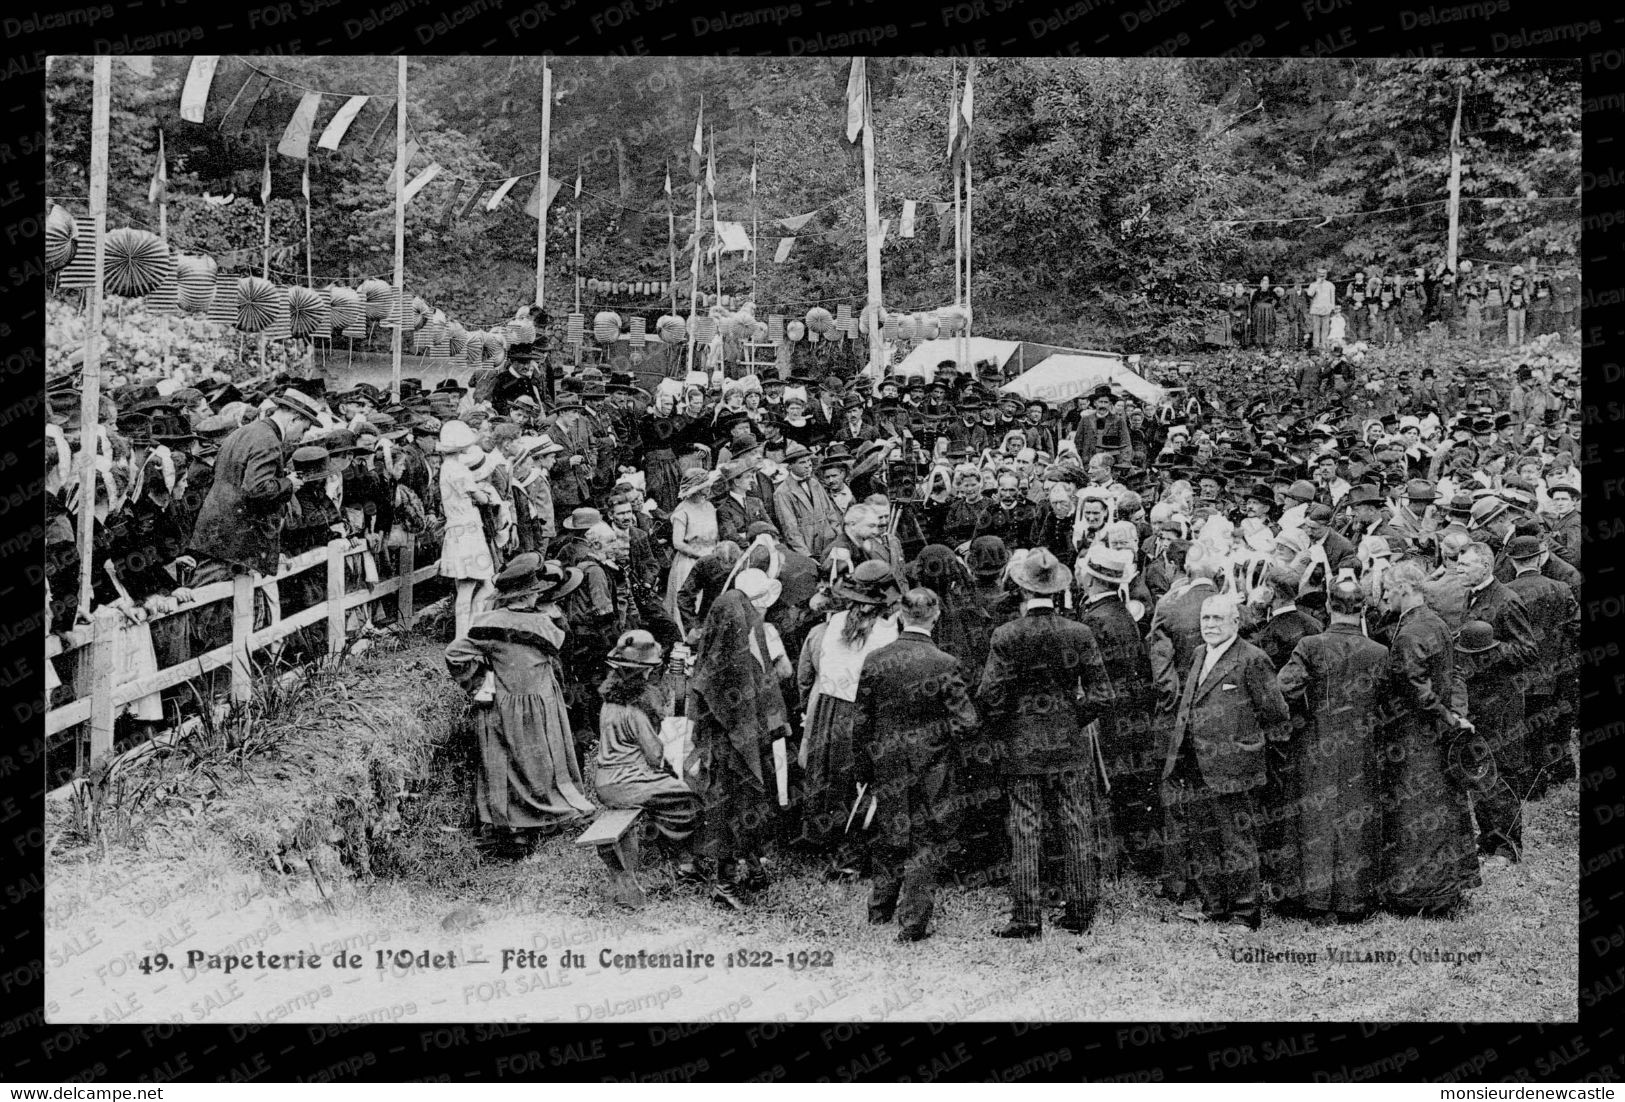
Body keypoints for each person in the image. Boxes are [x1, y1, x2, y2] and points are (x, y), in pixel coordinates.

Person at [976, 549, 1113, 938]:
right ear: (1056, 590)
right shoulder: (1079, 632)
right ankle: (1081, 912)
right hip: (1069, 745)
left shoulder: (1005, 635)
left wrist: (1010, 726)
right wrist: (1071, 720)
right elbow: (1104, 696)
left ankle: (1026, 918)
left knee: (1024, 827)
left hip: (1022, 747)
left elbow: (989, 697)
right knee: (1077, 822)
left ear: (1020, 587)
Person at [443, 555, 595, 857]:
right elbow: (560, 648)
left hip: (502, 702)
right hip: (539, 701)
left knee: (504, 763)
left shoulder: (486, 623)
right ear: (529, 594)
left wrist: (480, 679)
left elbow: (454, 654)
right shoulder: (541, 624)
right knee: (542, 760)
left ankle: (511, 825)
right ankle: (545, 816)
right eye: (536, 590)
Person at [851, 587, 977, 942]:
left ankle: (880, 909)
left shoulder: (876, 659)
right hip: (931, 765)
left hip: (886, 761)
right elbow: (966, 722)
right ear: (935, 617)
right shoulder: (944, 663)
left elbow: (860, 721)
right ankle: (913, 922)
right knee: (925, 839)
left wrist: (863, 766)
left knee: (889, 831)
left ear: (901, 616)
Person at [1161, 593, 1290, 929]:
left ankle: (1245, 913)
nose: (1210, 625)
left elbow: (1275, 713)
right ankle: (1213, 905)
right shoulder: (1199, 653)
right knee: (1204, 838)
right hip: (1197, 764)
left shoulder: (1252, 659)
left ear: (1236, 622)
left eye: (1218, 619)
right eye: (1206, 619)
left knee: (1236, 841)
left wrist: (1252, 750)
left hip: (1235, 767)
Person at [1274, 579, 1388, 924]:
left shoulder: (1310, 645)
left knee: (1313, 821)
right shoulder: (1379, 652)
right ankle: (1353, 900)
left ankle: (1311, 899)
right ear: (1364, 609)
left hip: (1315, 744)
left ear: (1328, 605)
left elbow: (1285, 687)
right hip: (1361, 747)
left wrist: (1304, 713)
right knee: (1354, 819)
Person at [1379, 560, 1480, 916]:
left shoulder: (1410, 632)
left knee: (1416, 812)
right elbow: (1452, 677)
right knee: (1444, 808)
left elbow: (1415, 688)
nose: (1384, 595)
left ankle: (1420, 896)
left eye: (1388, 588)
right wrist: (1454, 716)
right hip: (1436, 732)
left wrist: (1446, 716)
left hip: (1415, 735)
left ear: (1405, 588)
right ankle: (1449, 887)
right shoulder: (1435, 622)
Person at [686, 588, 793, 909]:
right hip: (728, 756)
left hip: (748, 747)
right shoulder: (727, 661)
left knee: (749, 809)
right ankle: (724, 883)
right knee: (729, 815)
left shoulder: (735, 651)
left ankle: (754, 867)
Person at [796, 561, 902, 877]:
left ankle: (831, 844)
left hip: (829, 709)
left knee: (830, 777)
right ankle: (853, 855)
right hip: (861, 710)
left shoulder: (833, 625)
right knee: (859, 780)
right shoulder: (885, 634)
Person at [593, 629, 702, 879]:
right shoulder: (636, 711)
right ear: (644, 671)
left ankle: (666, 848)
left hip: (605, 782)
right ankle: (684, 863)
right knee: (690, 797)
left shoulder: (608, 704)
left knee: (671, 796)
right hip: (629, 783)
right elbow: (655, 756)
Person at [1076, 545, 1158, 875]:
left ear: (1092, 579)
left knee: (1110, 786)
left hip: (1110, 716)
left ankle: (1114, 862)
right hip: (1131, 711)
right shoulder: (1121, 611)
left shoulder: (1096, 619)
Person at [187, 387, 321, 588]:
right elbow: (256, 488)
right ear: (294, 419)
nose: (302, 436)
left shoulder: (243, 432)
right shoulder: (268, 440)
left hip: (218, 534)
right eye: (305, 429)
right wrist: (288, 484)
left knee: (213, 598)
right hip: (235, 541)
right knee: (210, 605)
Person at [1503, 535, 1580, 797]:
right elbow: (1576, 627)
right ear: (1538, 557)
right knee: (1552, 727)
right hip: (1556, 671)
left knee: (1523, 731)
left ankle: (1530, 788)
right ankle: (1551, 777)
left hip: (1520, 673)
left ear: (1513, 561)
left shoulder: (1508, 591)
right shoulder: (1561, 588)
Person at [437, 420, 504, 639]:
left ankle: (471, 629)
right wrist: (486, 496)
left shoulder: (445, 468)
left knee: (481, 583)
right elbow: (481, 498)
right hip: (467, 530)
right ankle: (463, 635)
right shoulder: (460, 471)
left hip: (457, 528)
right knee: (470, 588)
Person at [664, 468, 721, 631]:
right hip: (690, 563)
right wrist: (701, 555)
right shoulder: (683, 510)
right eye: (704, 485)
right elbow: (678, 543)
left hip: (711, 559)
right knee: (690, 602)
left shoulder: (710, 506)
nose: (708, 488)